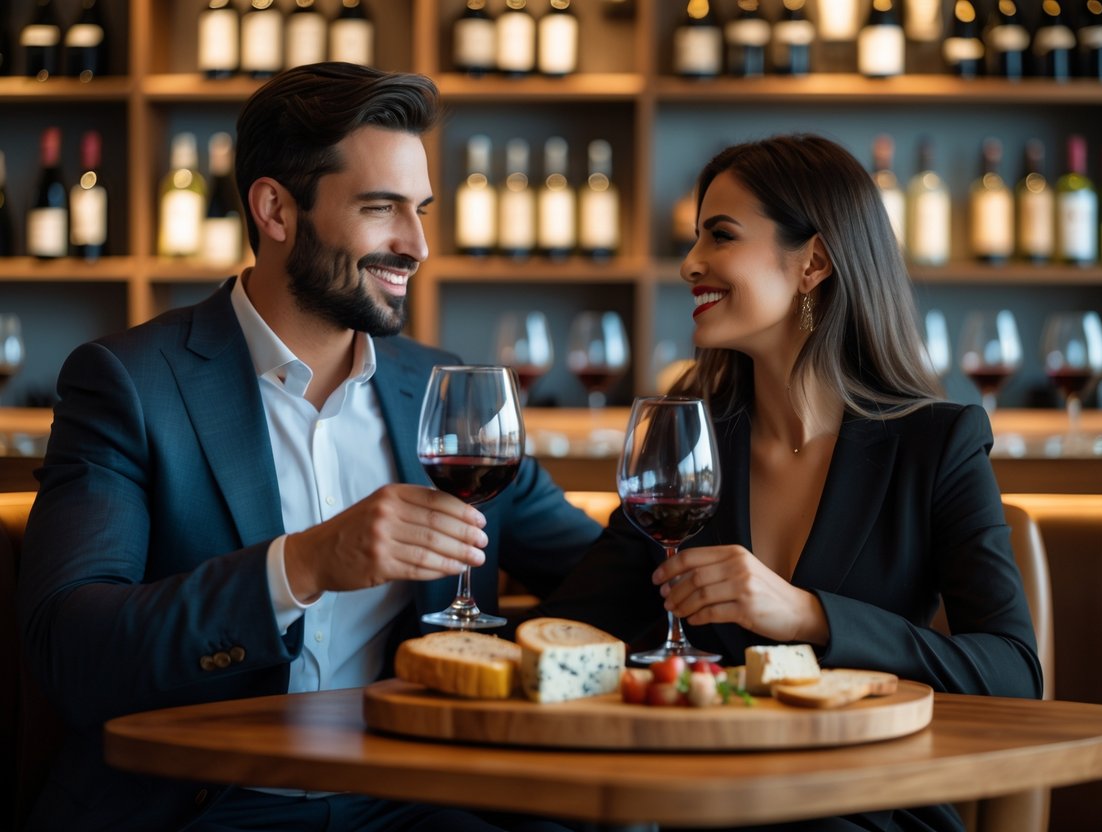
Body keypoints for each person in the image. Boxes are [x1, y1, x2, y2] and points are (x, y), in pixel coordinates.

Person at [17, 62, 601, 832]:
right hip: (208, 804)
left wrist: (802, 609)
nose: (417, 244)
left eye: (421, 209)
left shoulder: (447, 392)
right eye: (381, 208)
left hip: (412, 804)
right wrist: (305, 564)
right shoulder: (128, 383)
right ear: (275, 210)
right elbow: (73, 651)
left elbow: (603, 576)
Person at [529, 134, 1043, 832]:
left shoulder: (935, 443)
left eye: (719, 236)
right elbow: (573, 630)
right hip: (694, 810)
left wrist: (809, 616)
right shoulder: (689, 442)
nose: (689, 265)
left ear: (814, 262)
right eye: (694, 238)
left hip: (862, 809)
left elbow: (1012, 674)